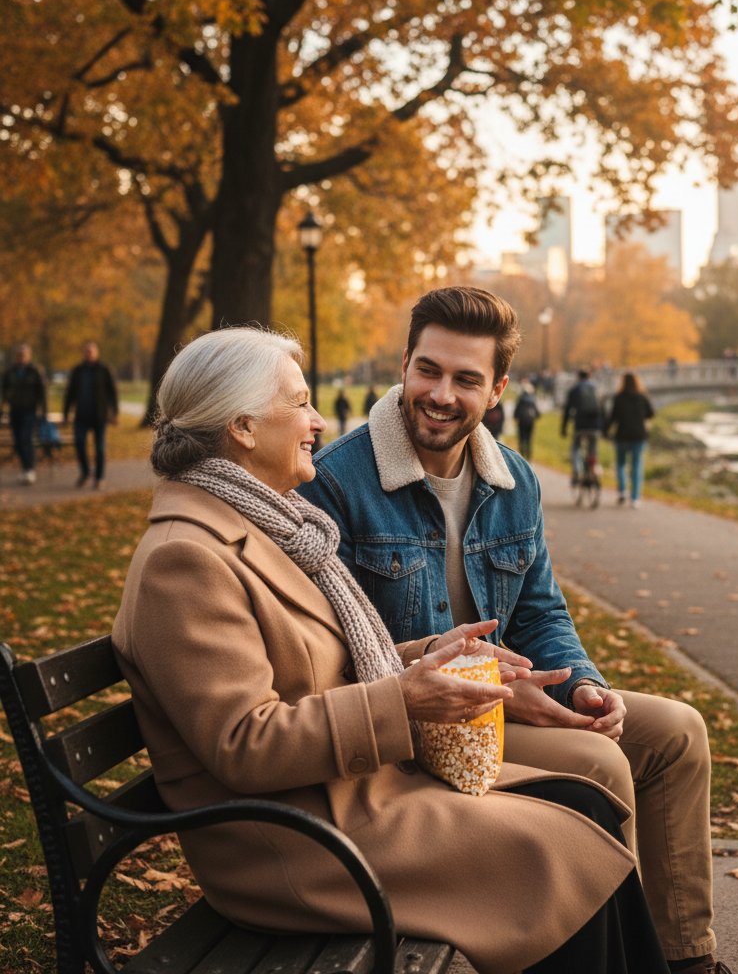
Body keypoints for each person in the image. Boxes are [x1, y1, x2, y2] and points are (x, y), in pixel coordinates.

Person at [112, 326, 668, 974]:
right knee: (564, 849)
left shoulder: (265, 525)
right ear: (240, 426)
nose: (316, 420)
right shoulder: (186, 558)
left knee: (586, 806)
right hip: (295, 843)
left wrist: (428, 653)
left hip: (346, 800)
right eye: (298, 403)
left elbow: (320, 666)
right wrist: (404, 701)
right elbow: (245, 743)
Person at [303, 287, 730, 974]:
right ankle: (606, 956)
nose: (441, 395)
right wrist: (489, 682)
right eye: (428, 371)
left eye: (466, 379)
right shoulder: (334, 483)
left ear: (497, 389)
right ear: (404, 364)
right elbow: (336, 653)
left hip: (497, 705)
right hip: (412, 727)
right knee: (601, 764)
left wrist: (582, 685)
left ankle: (686, 961)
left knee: (677, 734)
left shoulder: (515, 483)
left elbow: (540, 613)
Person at [63, 340, 118, 489]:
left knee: (100, 448)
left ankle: (99, 477)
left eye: (91, 351)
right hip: (81, 415)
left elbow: (113, 392)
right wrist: (66, 412)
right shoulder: (78, 371)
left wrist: (114, 413)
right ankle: (86, 472)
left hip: (99, 416)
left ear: (96, 352)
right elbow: (69, 393)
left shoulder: (104, 369)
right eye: (86, 351)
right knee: (79, 444)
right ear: (84, 353)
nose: (89, 354)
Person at [604, 372, 655, 508]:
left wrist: (605, 431)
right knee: (637, 465)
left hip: (622, 436)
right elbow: (651, 413)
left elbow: (612, 417)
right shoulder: (642, 397)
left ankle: (622, 491)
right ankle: (635, 498)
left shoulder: (619, 398)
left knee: (621, 464)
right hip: (638, 436)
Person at [1, 344, 47, 485]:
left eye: (24, 355)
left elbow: (42, 393)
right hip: (15, 410)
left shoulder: (35, 371)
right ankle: (24, 468)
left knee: (25, 439)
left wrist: (43, 412)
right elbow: (3, 390)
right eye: (19, 355)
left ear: (29, 355)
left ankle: (30, 469)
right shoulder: (11, 371)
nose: (21, 357)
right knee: (18, 441)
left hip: (30, 411)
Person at [561, 368, 604, 486]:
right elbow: (602, 408)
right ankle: (594, 468)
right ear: (590, 376)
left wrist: (564, 428)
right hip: (595, 426)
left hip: (580, 426)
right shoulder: (596, 389)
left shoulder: (574, 390)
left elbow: (567, 411)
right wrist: (603, 427)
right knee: (593, 448)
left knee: (575, 448)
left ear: (578, 377)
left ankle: (578, 471)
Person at [513, 381, 540, 461]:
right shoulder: (533, 399)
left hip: (522, 422)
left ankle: (522, 456)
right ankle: (529, 457)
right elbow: (537, 413)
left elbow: (516, 411)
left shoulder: (521, 398)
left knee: (522, 439)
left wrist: (515, 417)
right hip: (530, 422)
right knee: (529, 440)